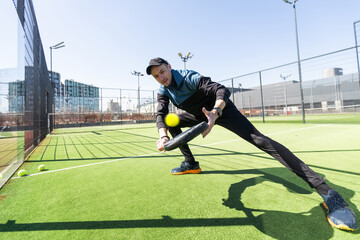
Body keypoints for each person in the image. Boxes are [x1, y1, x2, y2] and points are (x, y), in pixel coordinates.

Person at [146, 57, 358, 231]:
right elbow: (160, 114)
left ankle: (327, 192)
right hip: (200, 115)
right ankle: (191, 163)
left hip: (221, 111)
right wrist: (163, 136)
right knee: (167, 123)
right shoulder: (164, 91)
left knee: (261, 141)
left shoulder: (188, 77)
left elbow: (221, 89)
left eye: (163, 71)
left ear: (170, 67)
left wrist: (215, 112)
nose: (161, 77)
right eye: (156, 76)